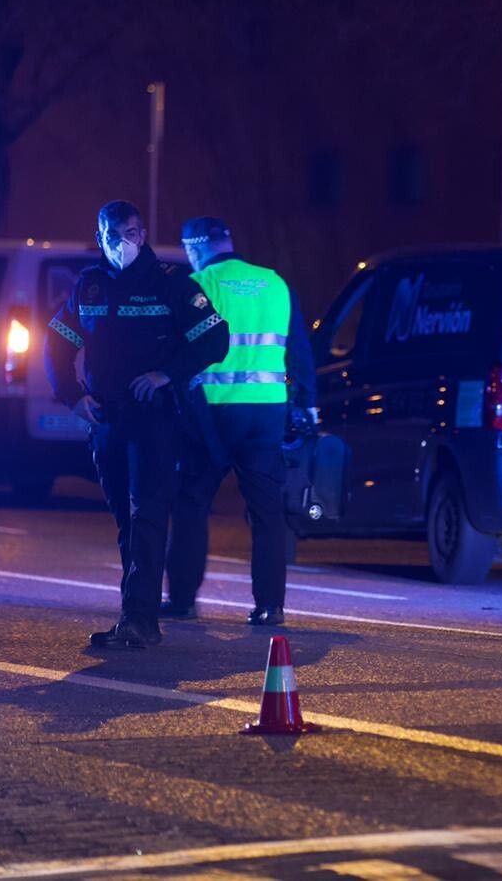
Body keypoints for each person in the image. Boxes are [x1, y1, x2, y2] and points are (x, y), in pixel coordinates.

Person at [45, 200, 230, 648]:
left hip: (156, 420)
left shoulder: (170, 284)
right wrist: (73, 397)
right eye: (111, 235)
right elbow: (55, 343)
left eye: (128, 234)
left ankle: (141, 621)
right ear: (100, 235)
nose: (120, 243)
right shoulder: (89, 288)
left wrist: (167, 374)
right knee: (126, 521)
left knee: (147, 514)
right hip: (107, 420)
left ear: (141, 234)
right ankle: (134, 615)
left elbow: (214, 337)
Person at [163, 216, 317, 627]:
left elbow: (180, 350)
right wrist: (309, 406)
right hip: (267, 411)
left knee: (192, 502)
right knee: (267, 513)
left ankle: (181, 599)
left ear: (195, 247)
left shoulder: (201, 284)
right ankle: (270, 606)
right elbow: (299, 351)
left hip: (212, 413)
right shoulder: (275, 283)